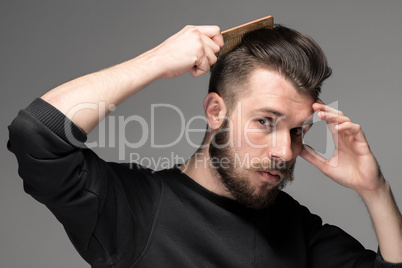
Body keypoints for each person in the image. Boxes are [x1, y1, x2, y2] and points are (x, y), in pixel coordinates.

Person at [7, 23, 402, 267]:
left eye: (299, 130)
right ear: (216, 111)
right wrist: (157, 60)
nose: (284, 151)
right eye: (265, 122)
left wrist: (376, 191)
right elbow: (36, 134)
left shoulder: (295, 228)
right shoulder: (135, 210)